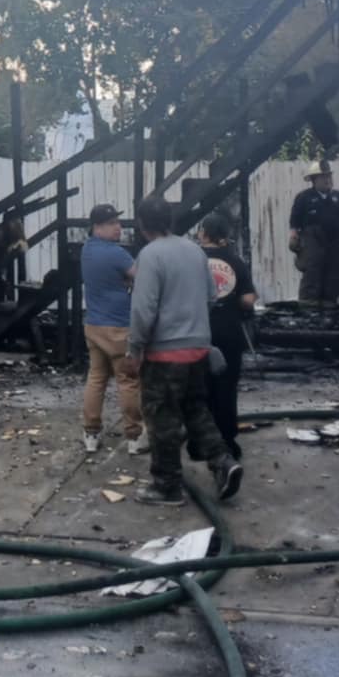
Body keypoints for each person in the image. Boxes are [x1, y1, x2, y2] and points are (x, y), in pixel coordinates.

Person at [125, 193, 241, 507]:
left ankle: (167, 487)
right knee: (196, 411)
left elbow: (143, 309)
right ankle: (223, 462)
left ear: (142, 224)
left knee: (162, 419)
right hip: (197, 349)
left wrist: (135, 348)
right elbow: (211, 296)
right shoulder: (194, 250)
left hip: (164, 354)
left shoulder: (150, 255)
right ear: (171, 220)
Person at [79, 202, 145, 455]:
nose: (118, 227)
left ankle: (91, 434)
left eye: (117, 222)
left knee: (96, 379)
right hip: (119, 326)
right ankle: (134, 436)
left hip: (94, 325)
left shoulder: (87, 250)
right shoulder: (117, 254)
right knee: (127, 381)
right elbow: (140, 276)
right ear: (97, 227)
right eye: (111, 223)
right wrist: (126, 281)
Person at [197, 210, 256, 463]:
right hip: (229, 331)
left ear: (203, 233)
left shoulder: (193, 258)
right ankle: (227, 442)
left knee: (200, 388)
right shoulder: (235, 261)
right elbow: (248, 299)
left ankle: (201, 441)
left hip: (197, 331)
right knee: (227, 387)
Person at [288, 160, 339, 305]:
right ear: (314, 180)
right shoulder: (304, 197)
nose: (328, 180)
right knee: (312, 275)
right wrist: (293, 236)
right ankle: (308, 309)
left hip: (336, 242)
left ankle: (330, 308)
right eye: (323, 177)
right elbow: (295, 221)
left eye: (329, 176)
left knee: (334, 276)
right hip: (313, 241)